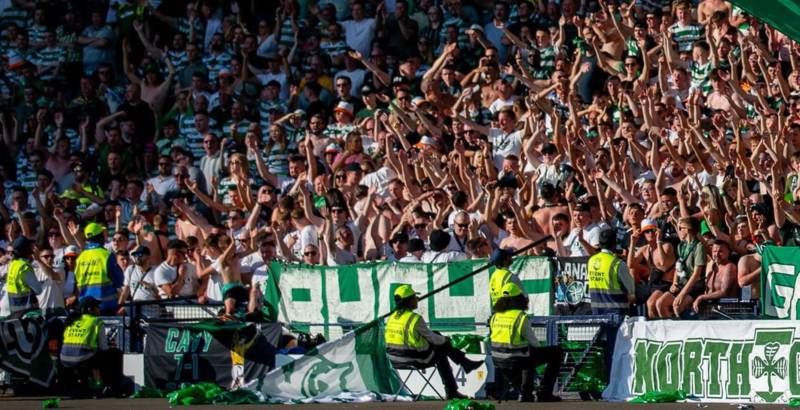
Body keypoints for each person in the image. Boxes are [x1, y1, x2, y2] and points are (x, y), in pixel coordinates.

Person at [384, 284, 482, 399]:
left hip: (394, 360)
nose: (417, 300)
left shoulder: (391, 318)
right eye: (415, 298)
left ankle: (464, 365)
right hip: (414, 359)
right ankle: (454, 386)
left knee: (437, 338)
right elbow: (433, 339)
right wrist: (446, 339)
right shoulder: (414, 318)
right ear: (409, 301)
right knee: (441, 348)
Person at [489, 282, 562, 402]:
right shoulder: (520, 317)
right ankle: (543, 393)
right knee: (555, 352)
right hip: (516, 360)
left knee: (527, 353)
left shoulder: (495, 316)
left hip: (498, 360)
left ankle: (526, 392)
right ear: (518, 298)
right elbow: (535, 344)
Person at [60, 296, 120, 397]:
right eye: (97, 307)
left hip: (64, 357)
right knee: (113, 355)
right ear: (89, 309)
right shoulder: (95, 321)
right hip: (82, 357)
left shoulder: (71, 320)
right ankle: (101, 387)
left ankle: (79, 385)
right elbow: (104, 347)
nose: (99, 309)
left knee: (93, 355)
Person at [74, 223, 124, 315]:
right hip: (105, 308)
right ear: (101, 237)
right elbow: (119, 280)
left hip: (85, 307)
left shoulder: (80, 258)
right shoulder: (107, 255)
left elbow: (77, 281)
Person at [587, 229, 636, 315]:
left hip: (597, 312)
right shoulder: (618, 263)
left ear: (599, 243)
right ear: (614, 244)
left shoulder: (591, 261)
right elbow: (631, 289)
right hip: (617, 313)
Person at [5, 236, 42, 314]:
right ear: (26, 250)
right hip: (29, 314)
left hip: (15, 312)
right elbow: (38, 290)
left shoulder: (12, 265)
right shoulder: (24, 267)